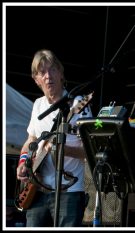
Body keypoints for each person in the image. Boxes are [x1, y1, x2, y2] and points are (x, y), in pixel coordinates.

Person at [16, 49, 93, 227]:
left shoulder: (77, 104)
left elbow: (89, 151)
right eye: (42, 72)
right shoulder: (38, 105)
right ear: (36, 80)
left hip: (69, 190)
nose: (48, 76)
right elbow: (31, 140)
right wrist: (22, 162)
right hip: (37, 189)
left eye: (52, 70)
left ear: (61, 73)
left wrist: (63, 150)